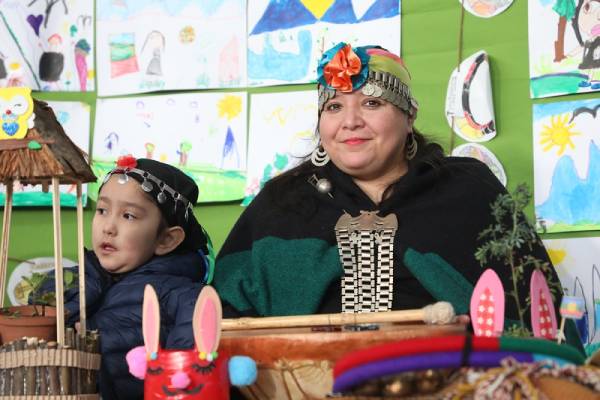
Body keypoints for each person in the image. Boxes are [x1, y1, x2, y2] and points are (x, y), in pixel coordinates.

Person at [214, 43, 582, 348]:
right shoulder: (282, 203)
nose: (350, 121)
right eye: (334, 107)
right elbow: (223, 319)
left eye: (372, 103)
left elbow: (533, 311)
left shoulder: (468, 190)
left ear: (409, 117)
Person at [39, 156, 212, 399]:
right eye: (102, 210)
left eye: (128, 215)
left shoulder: (186, 298)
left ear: (166, 240)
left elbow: (185, 379)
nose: (108, 227)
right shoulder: (67, 280)